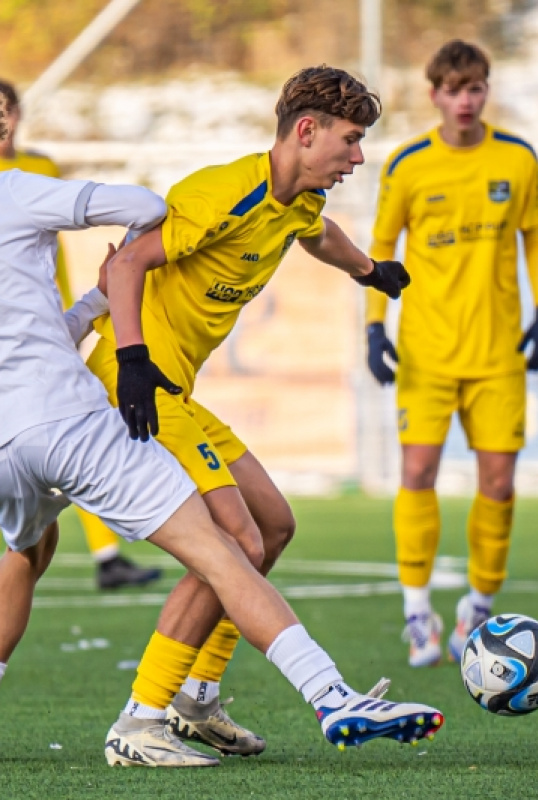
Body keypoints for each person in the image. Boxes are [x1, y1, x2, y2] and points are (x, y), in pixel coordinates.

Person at [0, 88, 442, 769]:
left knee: (273, 524)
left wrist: (368, 269)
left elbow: (315, 232)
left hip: (137, 396)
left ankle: (197, 699)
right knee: (230, 540)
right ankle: (150, 713)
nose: (358, 156)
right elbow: (125, 261)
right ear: (305, 130)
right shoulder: (222, 193)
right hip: (139, 387)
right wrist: (132, 356)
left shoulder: (298, 201)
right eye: (349, 140)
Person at [365, 40, 538, 667]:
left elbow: (535, 242)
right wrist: (375, 326)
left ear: (486, 91)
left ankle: (477, 608)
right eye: (454, 89)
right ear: (435, 95)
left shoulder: (518, 158)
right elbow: (379, 247)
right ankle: (417, 613)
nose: (466, 100)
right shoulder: (407, 164)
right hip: (426, 352)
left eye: (475, 88)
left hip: (498, 353)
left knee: (499, 483)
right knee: (417, 473)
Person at [0, 79, 161, 591]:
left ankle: (107, 555)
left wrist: (91, 304)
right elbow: (147, 207)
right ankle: (319, 676)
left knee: (28, 549)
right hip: (33, 381)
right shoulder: (19, 188)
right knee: (226, 540)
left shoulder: (34, 172)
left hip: (40, 343)